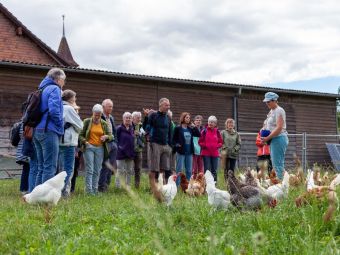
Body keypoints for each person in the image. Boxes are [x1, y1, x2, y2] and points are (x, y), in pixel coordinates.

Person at [33, 68, 65, 185]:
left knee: (41, 167)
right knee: (50, 167)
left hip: (37, 130)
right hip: (49, 131)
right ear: (58, 79)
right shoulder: (55, 88)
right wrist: (60, 124)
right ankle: (44, 200)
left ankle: (35, 198)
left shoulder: (42, 88)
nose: (64, 83)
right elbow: (54, 111)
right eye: (63, 80)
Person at [79, 104, 113, 194]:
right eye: (96, 114)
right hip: (89, 147)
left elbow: (111, 136)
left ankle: (95, 190)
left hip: (100, 148)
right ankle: (88, 191)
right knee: (90, 169)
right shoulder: (87, 121)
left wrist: (106, 137)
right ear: (92, 113)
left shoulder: (104, 123)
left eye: (99, 115)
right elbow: (80, 135)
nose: (97, 117)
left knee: (97, 170)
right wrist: (85, 142)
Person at [146, 98, 172, 200]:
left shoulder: (168, 118)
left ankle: (162, 188)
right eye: (166, 105)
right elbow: (147, 126)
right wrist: (149, 138)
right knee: (154, 168)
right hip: (155, 143)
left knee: (163, 168)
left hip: (165, 145)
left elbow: (170, 132)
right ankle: (153, 188)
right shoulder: (153, 115)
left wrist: (170, 145)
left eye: (169, 105)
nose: (168, 107)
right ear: (160, 105)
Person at [58, 89, 83, 197]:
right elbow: (80, 125)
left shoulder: (59, 106)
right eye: (75, 97)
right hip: (68, 142)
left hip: (59, 141)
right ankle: (65, 193)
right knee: (68, 169)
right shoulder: (69, 108)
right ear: (71, 98)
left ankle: (59, 191)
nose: (75, 99)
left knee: (60, 169)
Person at [261, 92, 289, 180]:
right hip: (274, 139)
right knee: (275, 163)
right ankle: (283, 181)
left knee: (278, 163)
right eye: (266, 102)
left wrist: (267, 138)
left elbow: (279, 127)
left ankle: (282, 186)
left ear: (275, 101)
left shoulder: (279, 110)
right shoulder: (271, 111)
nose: (267, 103)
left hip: (279, 138)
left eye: (268, 101)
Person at [173, 112, 200, 185]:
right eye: (186, 117)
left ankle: (188, 186)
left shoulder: (190, 129)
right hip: (181, 152)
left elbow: (198, 134)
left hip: (189, 153)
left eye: (189, 118)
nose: (188, 119)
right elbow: (174, 139)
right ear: (183, 118)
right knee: (179, 170)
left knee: (189, 170)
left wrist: (194, 126)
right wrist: (177, 144)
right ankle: (177, 186)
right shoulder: (178, 128)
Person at [98, 99, 117, 192]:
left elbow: (114, 130)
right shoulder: (100, 117)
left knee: (111, 166)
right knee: (105, 165)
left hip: (113, 143)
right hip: (105, 144)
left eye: (112, 106)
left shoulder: (111, 117)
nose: (111, 108)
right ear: (103, 107)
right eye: (109, 106)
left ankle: (107, 185)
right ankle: (101, 186)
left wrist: (115, 142)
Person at [198, 115, 222, 182]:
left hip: (215, 153)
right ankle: (206, 184)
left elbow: (220, 142)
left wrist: (217, 146)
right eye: (209, 122)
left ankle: (214, 183)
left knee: (214, 170)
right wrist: (205, 145)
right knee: (207, 170)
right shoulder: (204, 131)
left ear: (215, 124)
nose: (210, 123)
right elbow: (200, 141)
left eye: (212, 122)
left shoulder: (217, 131)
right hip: (206, 153)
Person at [115, 112, 135, 189]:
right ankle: (118, 186)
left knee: (129, 171)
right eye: (126, 118)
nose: (128, 119)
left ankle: (128, 185)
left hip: (130, 153)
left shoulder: (132, 129)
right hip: (121, 153)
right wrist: (119, 147)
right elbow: (116, 139)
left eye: (129, 118)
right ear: (123, 119)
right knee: (120, 170)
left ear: (131, 120)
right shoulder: (119, 128)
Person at [132, 111, 145, 189]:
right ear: (133, 118)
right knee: (129, 168)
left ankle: (137, 186)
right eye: (138, 117)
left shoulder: (141, 126)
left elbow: (144, 137)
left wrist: (141, 134)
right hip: (130, 150)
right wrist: (133, 134)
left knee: (138, 169)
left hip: (139, 150)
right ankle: (127, 185)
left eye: (140, 117)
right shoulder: (130, 125)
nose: (139, 119)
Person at [192, 115, 204, 179]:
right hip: (194, 151)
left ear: (201, 122)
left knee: (201, 168)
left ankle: (200, 181)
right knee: (194, 168)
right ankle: (193, 181)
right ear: (194, 121)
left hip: (201, 151)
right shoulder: (191, 129)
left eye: (199, 120)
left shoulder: (203, 130)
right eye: (197, 120)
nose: (198, 121)